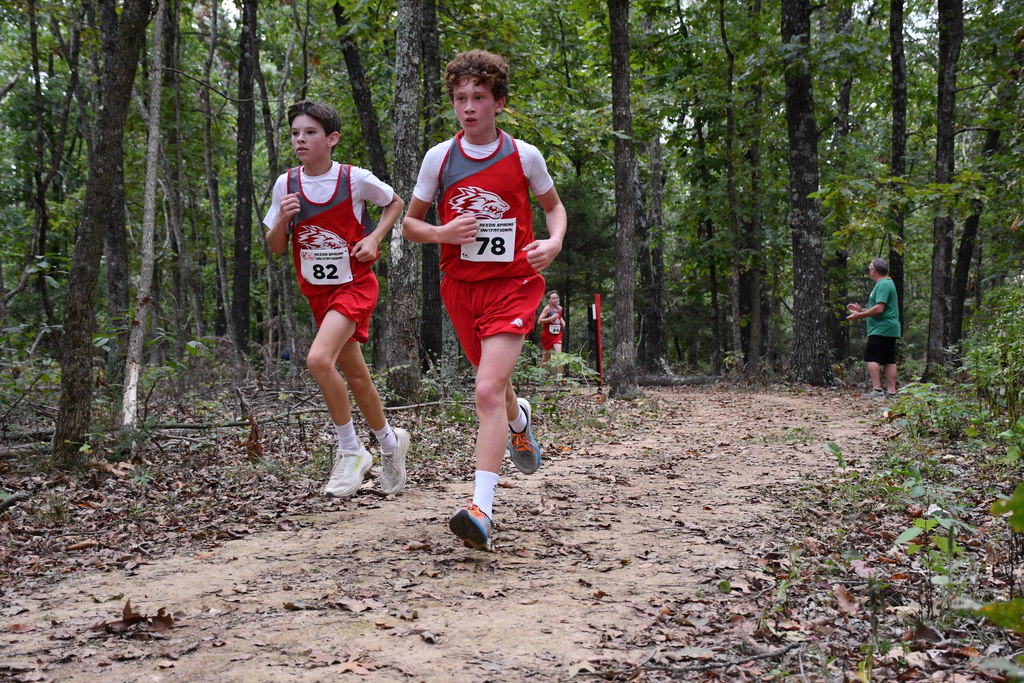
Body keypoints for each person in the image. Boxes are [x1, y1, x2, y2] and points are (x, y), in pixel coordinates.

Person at [402, 50, 567, 551]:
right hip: (461, 288)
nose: (468, 107)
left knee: (485, 390)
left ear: (498, 102)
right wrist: (442, 231)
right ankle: (521, 422)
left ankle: (481, 509)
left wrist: (554, 241)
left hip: (514, 284)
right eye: (460, 98)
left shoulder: (524, 156)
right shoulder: (440, 158)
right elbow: (410, 224)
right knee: (494, 391)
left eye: (478, 98)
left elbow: (554, 209)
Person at [264, 99, 410, 498]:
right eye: (295, 133)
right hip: (319, 294)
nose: (300, 140)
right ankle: (391, 444)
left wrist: (374, 237)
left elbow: (395, 202)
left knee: (317, 359)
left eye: (310, 132)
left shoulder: (354, 179)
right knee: (358, 376)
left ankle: (351, 451)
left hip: (355, 286)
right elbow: (276, 247)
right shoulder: (286, 184)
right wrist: (281, 220)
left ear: (332, 139)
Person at [846, 257, 901, 398]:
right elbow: (880, 307)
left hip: (881, 328)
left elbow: (879, 308)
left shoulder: (882, 284)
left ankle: (877, 390)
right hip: (889, 327)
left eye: (869, 268)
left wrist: (859, 316)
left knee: (871, 357)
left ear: (874, 271)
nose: (869, 271)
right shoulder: (887, 283)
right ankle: (891, 392)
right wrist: (861, 310)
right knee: (889, 359)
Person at [538, 290, 565, 365]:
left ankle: (560, 376)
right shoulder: (547, 309)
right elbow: (539, 321)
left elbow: (559, 317)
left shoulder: (560, 308)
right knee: (547, 357)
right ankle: (541, 374)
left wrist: (563, 322)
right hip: (547, 335)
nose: (556, 299)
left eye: (557, 298)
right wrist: (551, 318)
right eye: (553, 298)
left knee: (560, 356)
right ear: (549, 300)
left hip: (557, 334)